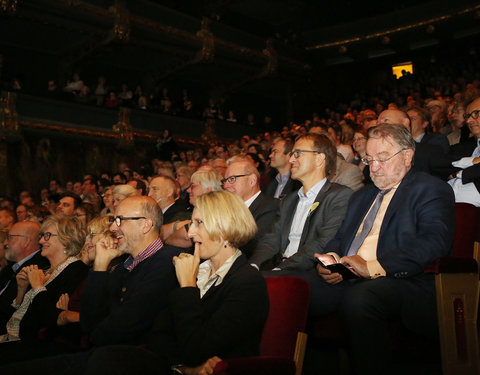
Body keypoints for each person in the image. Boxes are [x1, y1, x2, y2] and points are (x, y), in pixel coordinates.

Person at [66, 190, 268, 375]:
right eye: (191, 224)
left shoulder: (247, 282)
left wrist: (188, 286)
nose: (190, 233)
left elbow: (197, 350)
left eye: (199, 223)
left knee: (105, 361)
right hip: (172, 367)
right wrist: (182, 368)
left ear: (224, 228)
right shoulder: (195, 270)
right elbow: (159, 336)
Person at [308, 124, 455, 374]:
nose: (373, 167)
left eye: (383, 158)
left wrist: (373, 268)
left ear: (408, 156)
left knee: (361, 299)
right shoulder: (361, 196)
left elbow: (434, 241)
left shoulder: (430, 189)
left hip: (404, 281)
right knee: (294, 289)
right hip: (348, 275)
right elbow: (340, 238)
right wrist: (330, 260)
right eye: (369, 159)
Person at [79, 195, 180, 347]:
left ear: (145, 225)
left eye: (120, 220)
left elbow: (126, 324)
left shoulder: (168, 262)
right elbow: (88, 321)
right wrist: (100, 265)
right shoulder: (124, 267)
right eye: (114, 220)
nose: (113, 228)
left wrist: (94, 335)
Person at [250, 133, 353, 272]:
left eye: (298, 154)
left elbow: (323, 244)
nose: (291, 159)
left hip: (309, 273)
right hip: (280, 269)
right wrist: (253, 265)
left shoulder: (339, 196)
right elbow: (271, 239)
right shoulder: (289, 200)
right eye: (292, 154)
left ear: (319, 159)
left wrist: (280, 270)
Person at [0, 215, 88, 362]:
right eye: (42, 236)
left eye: (47, 236)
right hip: (17, 339)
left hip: (41, 349)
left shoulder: (76, 271)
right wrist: (22, 290)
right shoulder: (45, 270)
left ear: (66, 239)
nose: (41, 241)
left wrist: (37, 287)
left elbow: (49, 319)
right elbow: (18, 315)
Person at [223, 159, 279, 258]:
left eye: (232, 179)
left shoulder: (271, 206)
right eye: (225, 180)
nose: (225, 185)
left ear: (252, 180)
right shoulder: (225, 209)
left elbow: (254, 247)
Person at [0, 222, 49, 331]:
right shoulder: (11, 266)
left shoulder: (37, 268)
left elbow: (9, 311)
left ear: (26, 241)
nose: (5, 243)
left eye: (10, 237)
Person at [447, 96, 480, 206]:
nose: (469, 120)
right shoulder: (468, 147)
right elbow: (442, 162)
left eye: (476, 113)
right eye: (467, 116)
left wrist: (458, 174)